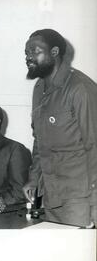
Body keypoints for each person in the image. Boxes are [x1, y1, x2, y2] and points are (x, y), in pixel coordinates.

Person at [23, 29, 97, 227]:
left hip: (79, 197)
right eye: (26, 52)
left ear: (54, 52)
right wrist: (33, 178)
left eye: (34, 51)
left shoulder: (80, 88)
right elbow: (39, 140)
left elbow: (95, 146)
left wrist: (95, 204)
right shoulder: (39, 89)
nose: (28, 56)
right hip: (48, 193)